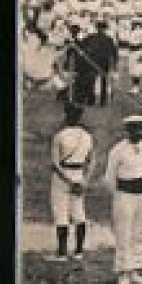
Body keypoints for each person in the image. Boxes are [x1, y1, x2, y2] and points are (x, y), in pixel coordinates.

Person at [102, 113, 142, 284]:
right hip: (125, 194)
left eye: (140, 129)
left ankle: (135, 270)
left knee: (141, 232)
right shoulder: (118, 150)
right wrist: (119, 194)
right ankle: (123, 273)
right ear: (127, 130)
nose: (137, 132)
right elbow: (109, 177)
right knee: (124, 232)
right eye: (133, 129)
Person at [48, 103, 95, 261]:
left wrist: (68, 180)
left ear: (66, 115)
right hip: (79, 175)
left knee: (61, 212)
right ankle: (79, 252)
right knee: (79, 213)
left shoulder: (60, 135)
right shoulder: (87, 136)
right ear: (80, 117)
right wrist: (84, 180)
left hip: (62, 177)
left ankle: (62, 253)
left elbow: (55, 163)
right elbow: (92, 160)